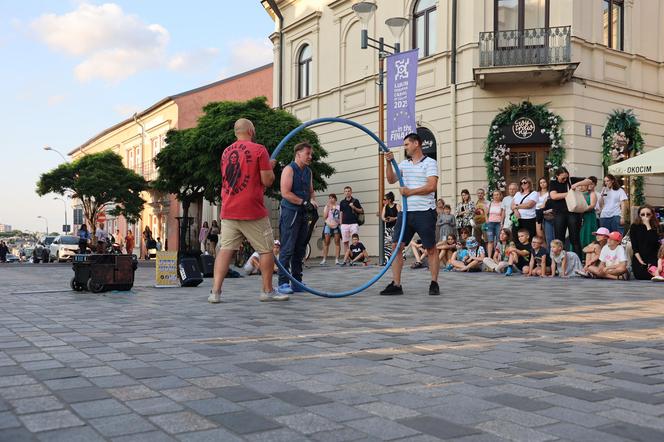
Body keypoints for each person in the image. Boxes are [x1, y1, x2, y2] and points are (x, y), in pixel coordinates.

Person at [209, 118, 285, 303]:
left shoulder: (226, 152)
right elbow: (267, 180)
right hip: (252, 210)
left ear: (236, 132)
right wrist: (270, 167)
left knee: (225, 250)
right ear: (250, 130)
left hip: (229, 207)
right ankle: (267, 291)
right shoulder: (259, 150)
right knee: (266, 250)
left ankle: (215, 292)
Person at [381, 133, 440, 296]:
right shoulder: (404, 164)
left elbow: (431, 186)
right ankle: (396, 284)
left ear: (416, 144)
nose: (405, 147)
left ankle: (434, 283)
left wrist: (409, 192)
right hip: (406, 213)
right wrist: (388, 162)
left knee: (431, 248)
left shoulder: (430, 163)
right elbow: (391, 179)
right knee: (396, 246)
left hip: (424, 212)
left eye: (407, 144)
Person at [277, 142, 318, 295]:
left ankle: (297, 281)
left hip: (303, 214)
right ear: (298, 154)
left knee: (300, 248)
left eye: (310, 154)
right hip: (291, 213)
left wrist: (312, 201)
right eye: (307, 153)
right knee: (287, 248)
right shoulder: (289, 169)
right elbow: (285, 193)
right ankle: (282, 283)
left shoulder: (308, 171)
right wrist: (303, 202)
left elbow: (311, 191)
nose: (310, 156)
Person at [548, 167, 593, 255]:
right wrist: (570, 193)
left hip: (573, 213)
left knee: (575, 239)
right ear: (557, 176)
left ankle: (578, 262)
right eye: (562, 178)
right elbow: (554, 196)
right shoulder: (553, 183)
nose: (565, 180)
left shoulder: (571, 180)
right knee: (559, 239)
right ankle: (560, 262)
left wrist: (577, 184)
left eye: (566, 177)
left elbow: (589, 181)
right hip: (559, 213)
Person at [629, 204, 661, 280]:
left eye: (648, 214)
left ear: (652, 215)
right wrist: (640, 260)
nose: (645, 216)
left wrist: (647, 225)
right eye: (642, 214)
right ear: (639, 215)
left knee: (653, 272)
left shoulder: (656, 226)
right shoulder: (634, 226)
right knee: (641, 276)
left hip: (653, 256)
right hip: (639, 257)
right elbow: (634, 246)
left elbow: (653, 241)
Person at [339, 186, 363, 257]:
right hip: (344, 224)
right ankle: (347, 259)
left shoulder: (355, 201)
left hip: (354, 223)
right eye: (346, 191)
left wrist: (354, 207)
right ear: (344, 193)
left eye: (348, 191)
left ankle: (355, 257)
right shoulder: (342, 202)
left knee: (355, 242)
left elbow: (361, 210)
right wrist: (341, 223)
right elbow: (341, 213)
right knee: (345, 242)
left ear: (351, 192)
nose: (347, 192)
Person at [321, 193, 342, 266]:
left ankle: (336, 259)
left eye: (332, 198)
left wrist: (334, 211)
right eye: (329, 198)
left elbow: (340, 217)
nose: (331, 199)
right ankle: (324, 259)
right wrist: (328, 208)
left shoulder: (339, 207)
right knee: (326, 242)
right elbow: (324, 217)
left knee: (337, 242)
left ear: (335, 199)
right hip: (328, 225)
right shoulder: (326, 206)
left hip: (336, 225)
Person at [579, 181, 599, 250]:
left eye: (583, 185)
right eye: (580, 185)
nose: (581, 187)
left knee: (588, 233)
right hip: (579, 216)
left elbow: (592, 205)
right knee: (580, 234)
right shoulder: (578, 194)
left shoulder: (592, 194)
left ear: (587, 186)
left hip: (589, 217)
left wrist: (582, 209)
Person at [382, 192, 400, 263]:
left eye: (385, 199)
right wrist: (386, 219)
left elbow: (400, 216)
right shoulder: (385, 207)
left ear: (389, 200)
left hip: (396, 227)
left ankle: (398, 259)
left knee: (396, 244)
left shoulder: (397, 206)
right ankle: (387, 260)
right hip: (388, 228)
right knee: (387, 244)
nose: (384, 200)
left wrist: (394, 218)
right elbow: (382, 216)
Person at [485, 190, 504, 260]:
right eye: (494, 195)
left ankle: (498, 257)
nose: (496, 196)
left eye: (497, 194)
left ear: (500, 195)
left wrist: (502, 223)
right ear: (493, 196)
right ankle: (489, 257)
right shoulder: (489, 203)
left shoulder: (502, 203)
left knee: (499, 241)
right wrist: (487, 220)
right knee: (490, 241)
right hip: (490, 223)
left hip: (498, 223)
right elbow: (486, 213)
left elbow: (502, 214)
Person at [535, 177, 554, 245]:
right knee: (540, 235)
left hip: (547, 214)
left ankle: (549, 252)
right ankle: (544, 252)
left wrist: (542, 205)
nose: (542, 184)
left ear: (547, 183)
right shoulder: (536, 193)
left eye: (544, 182)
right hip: (537, 214)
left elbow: (545, 205)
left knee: (548, 236)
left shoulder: (550, 193)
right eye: (541, 183)